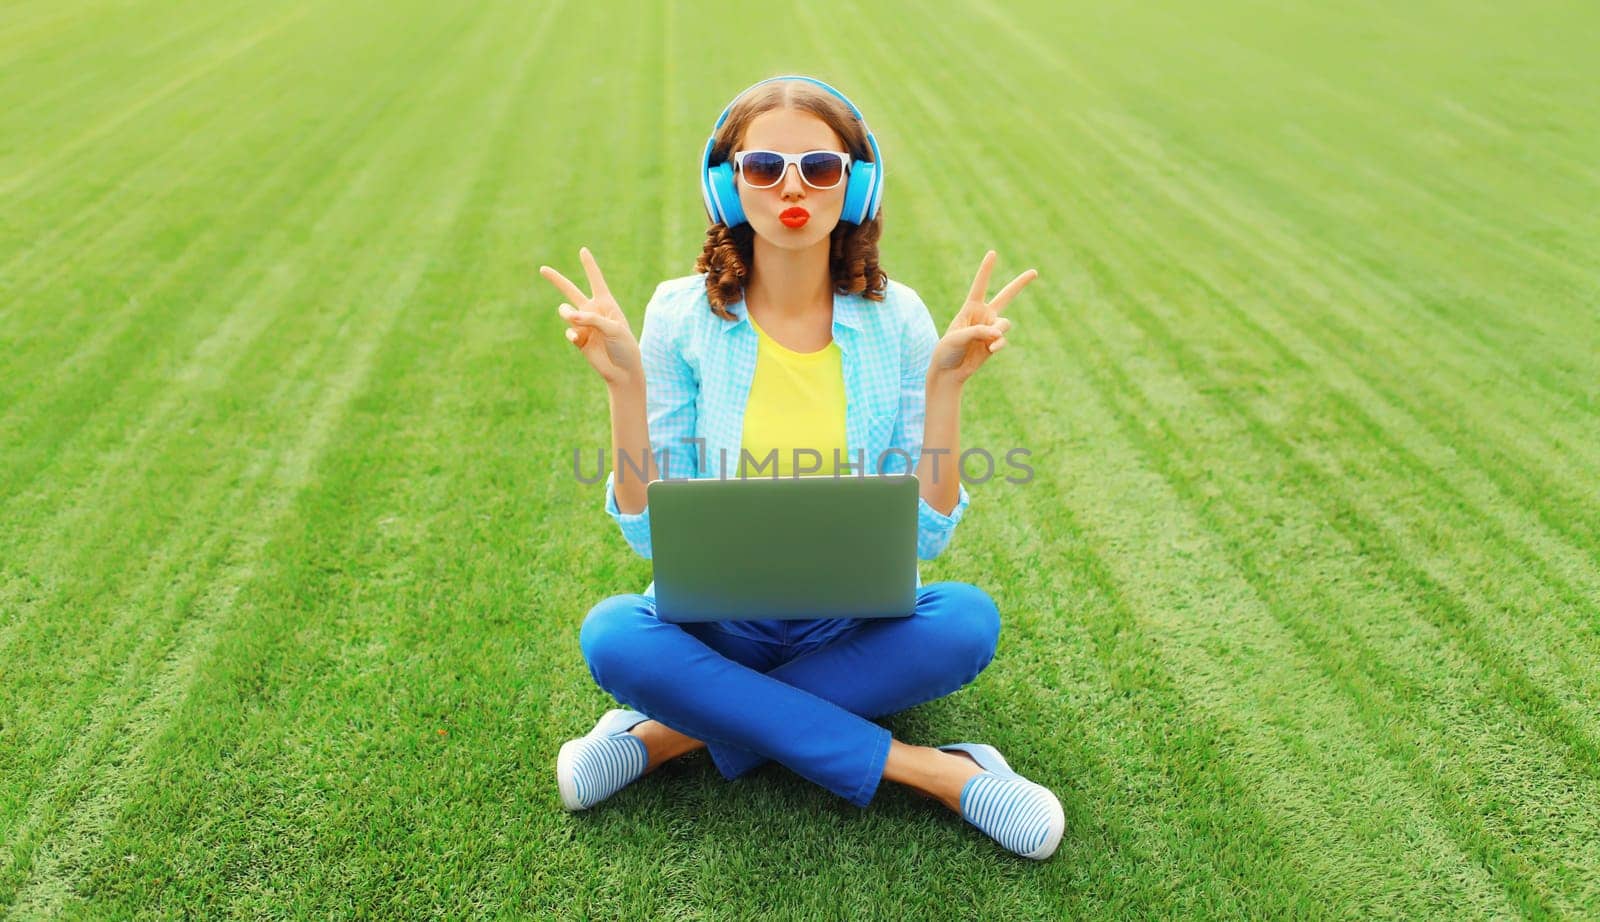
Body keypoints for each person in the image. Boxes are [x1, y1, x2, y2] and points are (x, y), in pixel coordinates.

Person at [538, 76, 1063, 860]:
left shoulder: (900, 319)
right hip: (721, 623)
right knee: (613, 633)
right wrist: (626, 389)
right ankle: (944, 775)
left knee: (966, 621)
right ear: (726, 184)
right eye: (763, 168)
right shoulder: (680, 316)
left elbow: (926, 531)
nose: (793, 188)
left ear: (855, 185)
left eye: (819, 167)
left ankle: (659, 738)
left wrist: (945, 386)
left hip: (851, 618)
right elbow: (650, 535)